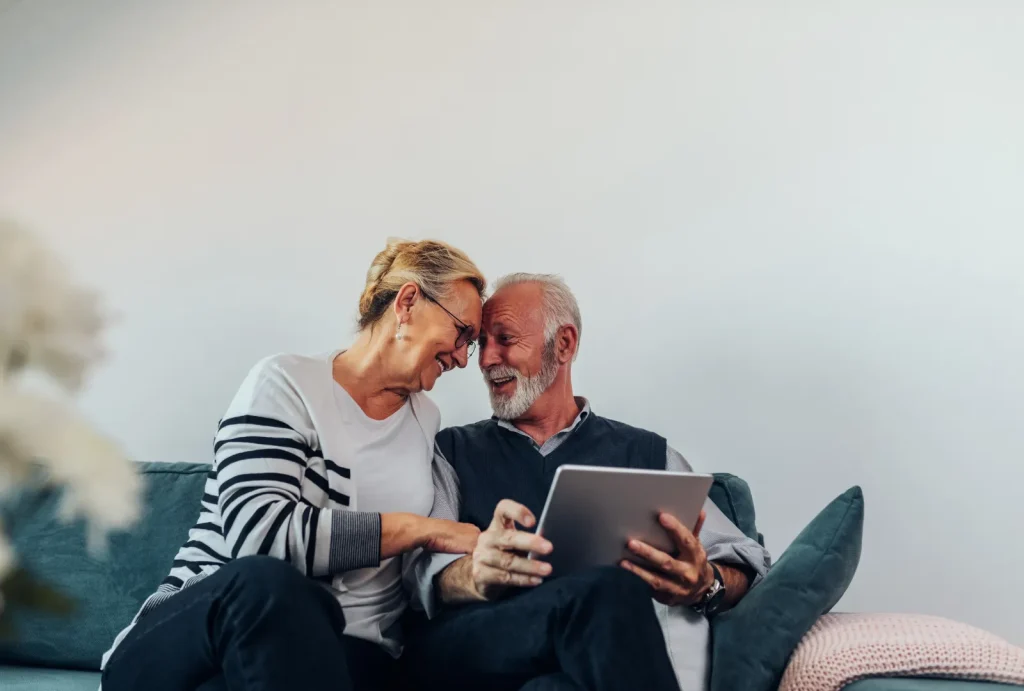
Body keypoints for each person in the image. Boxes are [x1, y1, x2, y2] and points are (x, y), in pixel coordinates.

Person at [101, 239, 488, 691]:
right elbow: (261, 539)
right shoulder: (285, 385)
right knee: (267, 584)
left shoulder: (427, 424)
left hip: (346, 657)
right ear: (407, 303)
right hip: (204, 641)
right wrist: (421, 529)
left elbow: (438, 561)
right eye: (462, 333)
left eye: (472, 345)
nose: (463, 358)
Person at [403, 273, 772, 691]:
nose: (486, 359)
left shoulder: (649, 456)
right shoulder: (450, 451)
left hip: (586, 660)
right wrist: (474, 574)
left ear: (564, 344)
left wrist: (706, 583)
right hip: (473, 648)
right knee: (607, 591)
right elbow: (419, 575)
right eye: (480, 342)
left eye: (504, 339)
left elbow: (747, 561)